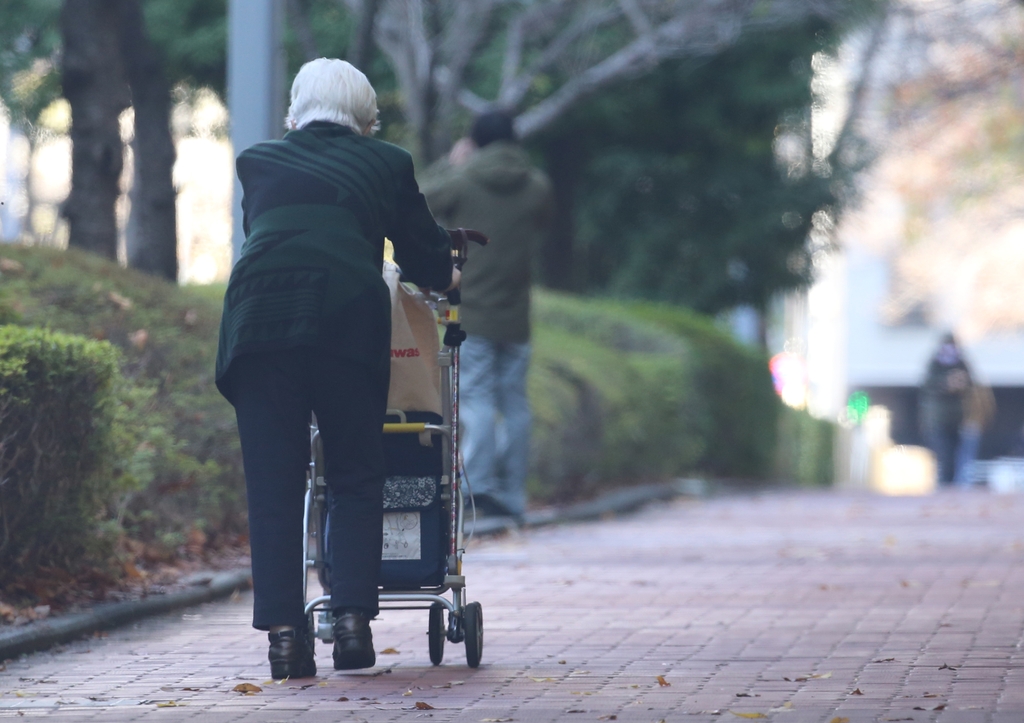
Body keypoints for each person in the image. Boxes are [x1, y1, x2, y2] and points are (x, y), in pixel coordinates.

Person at [215, 58, 460, 679]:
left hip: (259, 321)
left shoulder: (259, 161)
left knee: (275, 484)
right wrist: (450, 267)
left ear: (295, 111)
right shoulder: (386, 162)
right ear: (367, 116)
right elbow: (421, 254)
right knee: (354, 470)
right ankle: (351, 621)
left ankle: (284, 639)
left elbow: (276, 236)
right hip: (346, 318)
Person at [422, 111, 553, 521]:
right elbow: (543, 226)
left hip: (472, 313)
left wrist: (451, 162)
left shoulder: (462, 180)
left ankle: (477, 492)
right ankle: (511, 496)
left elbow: (419, 199)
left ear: (475, 143)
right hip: (516, 317)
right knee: (514, 404)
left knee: (476, 400)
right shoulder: (537, 187)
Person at [919, 332, 973, 485]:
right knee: (943, 452)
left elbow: (971, 384)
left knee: (956, 452)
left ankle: (951, 483)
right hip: (938, 419)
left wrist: (960, 382)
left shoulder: (961, 363)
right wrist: (946, 384)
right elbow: (928, 385)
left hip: (957, 417)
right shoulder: (934, 364)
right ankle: (943, 482)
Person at [954, 384, 995, 487]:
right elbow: (988, 410)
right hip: (973, 426)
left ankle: (963, 481)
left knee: (965, 455)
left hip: (970, 426)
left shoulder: (968, 396)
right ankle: (963, 480)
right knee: (967, 455)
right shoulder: (982, 396)